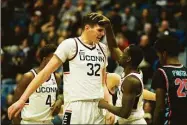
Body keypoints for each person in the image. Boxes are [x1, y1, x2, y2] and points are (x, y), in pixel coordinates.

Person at [8, 12, 112, 124]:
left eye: (104, 30)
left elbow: (103, 84)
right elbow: (44, 73)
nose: (103, 34)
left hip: (98, 107)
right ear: (87, 28)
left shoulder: (103, 49)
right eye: (99, 30)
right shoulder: (70, 44)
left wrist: (109, 108)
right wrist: (22, 100)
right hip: (76, 106)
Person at [11, 44, 63, 124]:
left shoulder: (56, 77)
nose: (57, 62)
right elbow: (14, 104)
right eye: (53, 59)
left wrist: (59, 101)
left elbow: (55, 98)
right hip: (30, 122)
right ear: (44, 59)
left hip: (48, 121)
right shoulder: (29, 76)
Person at [99, 45, 148, 124]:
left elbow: (124, 113)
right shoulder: (130, 70)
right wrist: (108, 31)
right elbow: (113, 46)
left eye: (123, 53)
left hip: (134, 122)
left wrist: (104, 105)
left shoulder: (131, 81)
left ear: (128, 59)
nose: (120, 55)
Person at [151, 35, 187, 125]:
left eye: (158, 55)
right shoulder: (186, 70)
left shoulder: (161, 72)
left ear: (164, 54)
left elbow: (160, 108)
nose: (159, 58)